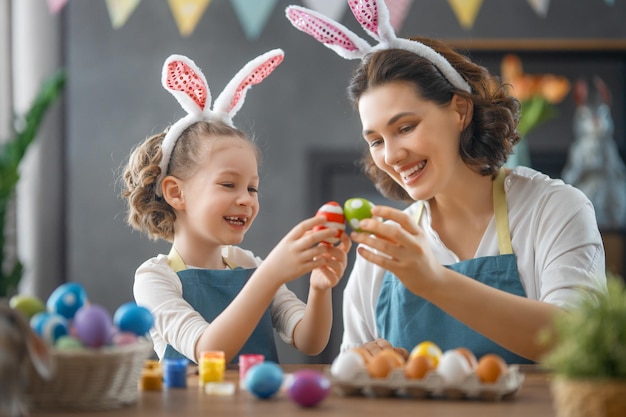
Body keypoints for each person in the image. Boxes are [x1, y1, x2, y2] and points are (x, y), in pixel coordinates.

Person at [286, 0, 607, 363]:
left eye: (405, 127)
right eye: (376, 141)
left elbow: (581, 342)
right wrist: (369, 363)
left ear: (460, 110)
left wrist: (434, 282)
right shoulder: (379, 251)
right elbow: (353, 372)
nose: (390, 156)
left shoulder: (552, 210)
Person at [120, 49, 351, 365]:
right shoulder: (155, 279)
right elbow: (208, 352)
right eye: (228, 184)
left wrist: (320, 287)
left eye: (252, 188)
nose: (246, 199)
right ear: (176, 193)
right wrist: (269, 274)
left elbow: (309, 340)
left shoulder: (248, 266)